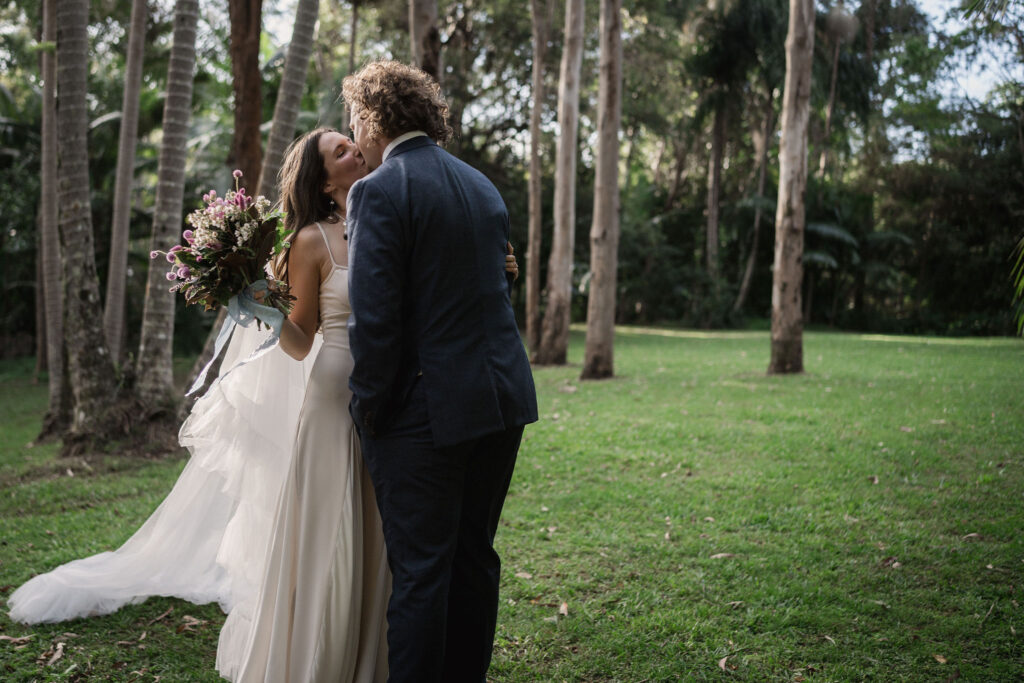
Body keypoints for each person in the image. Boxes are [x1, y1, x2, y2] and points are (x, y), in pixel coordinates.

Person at [6, 122, 522, 682]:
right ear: (324, 183)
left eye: (353, 143)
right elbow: (300, 342)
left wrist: (494, 267)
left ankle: (381, 657)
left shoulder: (393, 211)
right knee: (335, 529)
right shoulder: (312, 240)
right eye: (341, 150)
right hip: (335, 396)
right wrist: (259, 308)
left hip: (402, 396)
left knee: (390, 532)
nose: (356, 150)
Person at [341, 60, 538, 683]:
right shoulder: (481, 185)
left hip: (425, 416)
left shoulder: (376, 190)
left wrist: (368, 409)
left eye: (354, 118)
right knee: (474, 559)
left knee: (422, 572)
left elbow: (375, 321)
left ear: (372, 118)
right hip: (501, 400)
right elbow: (492, 290)